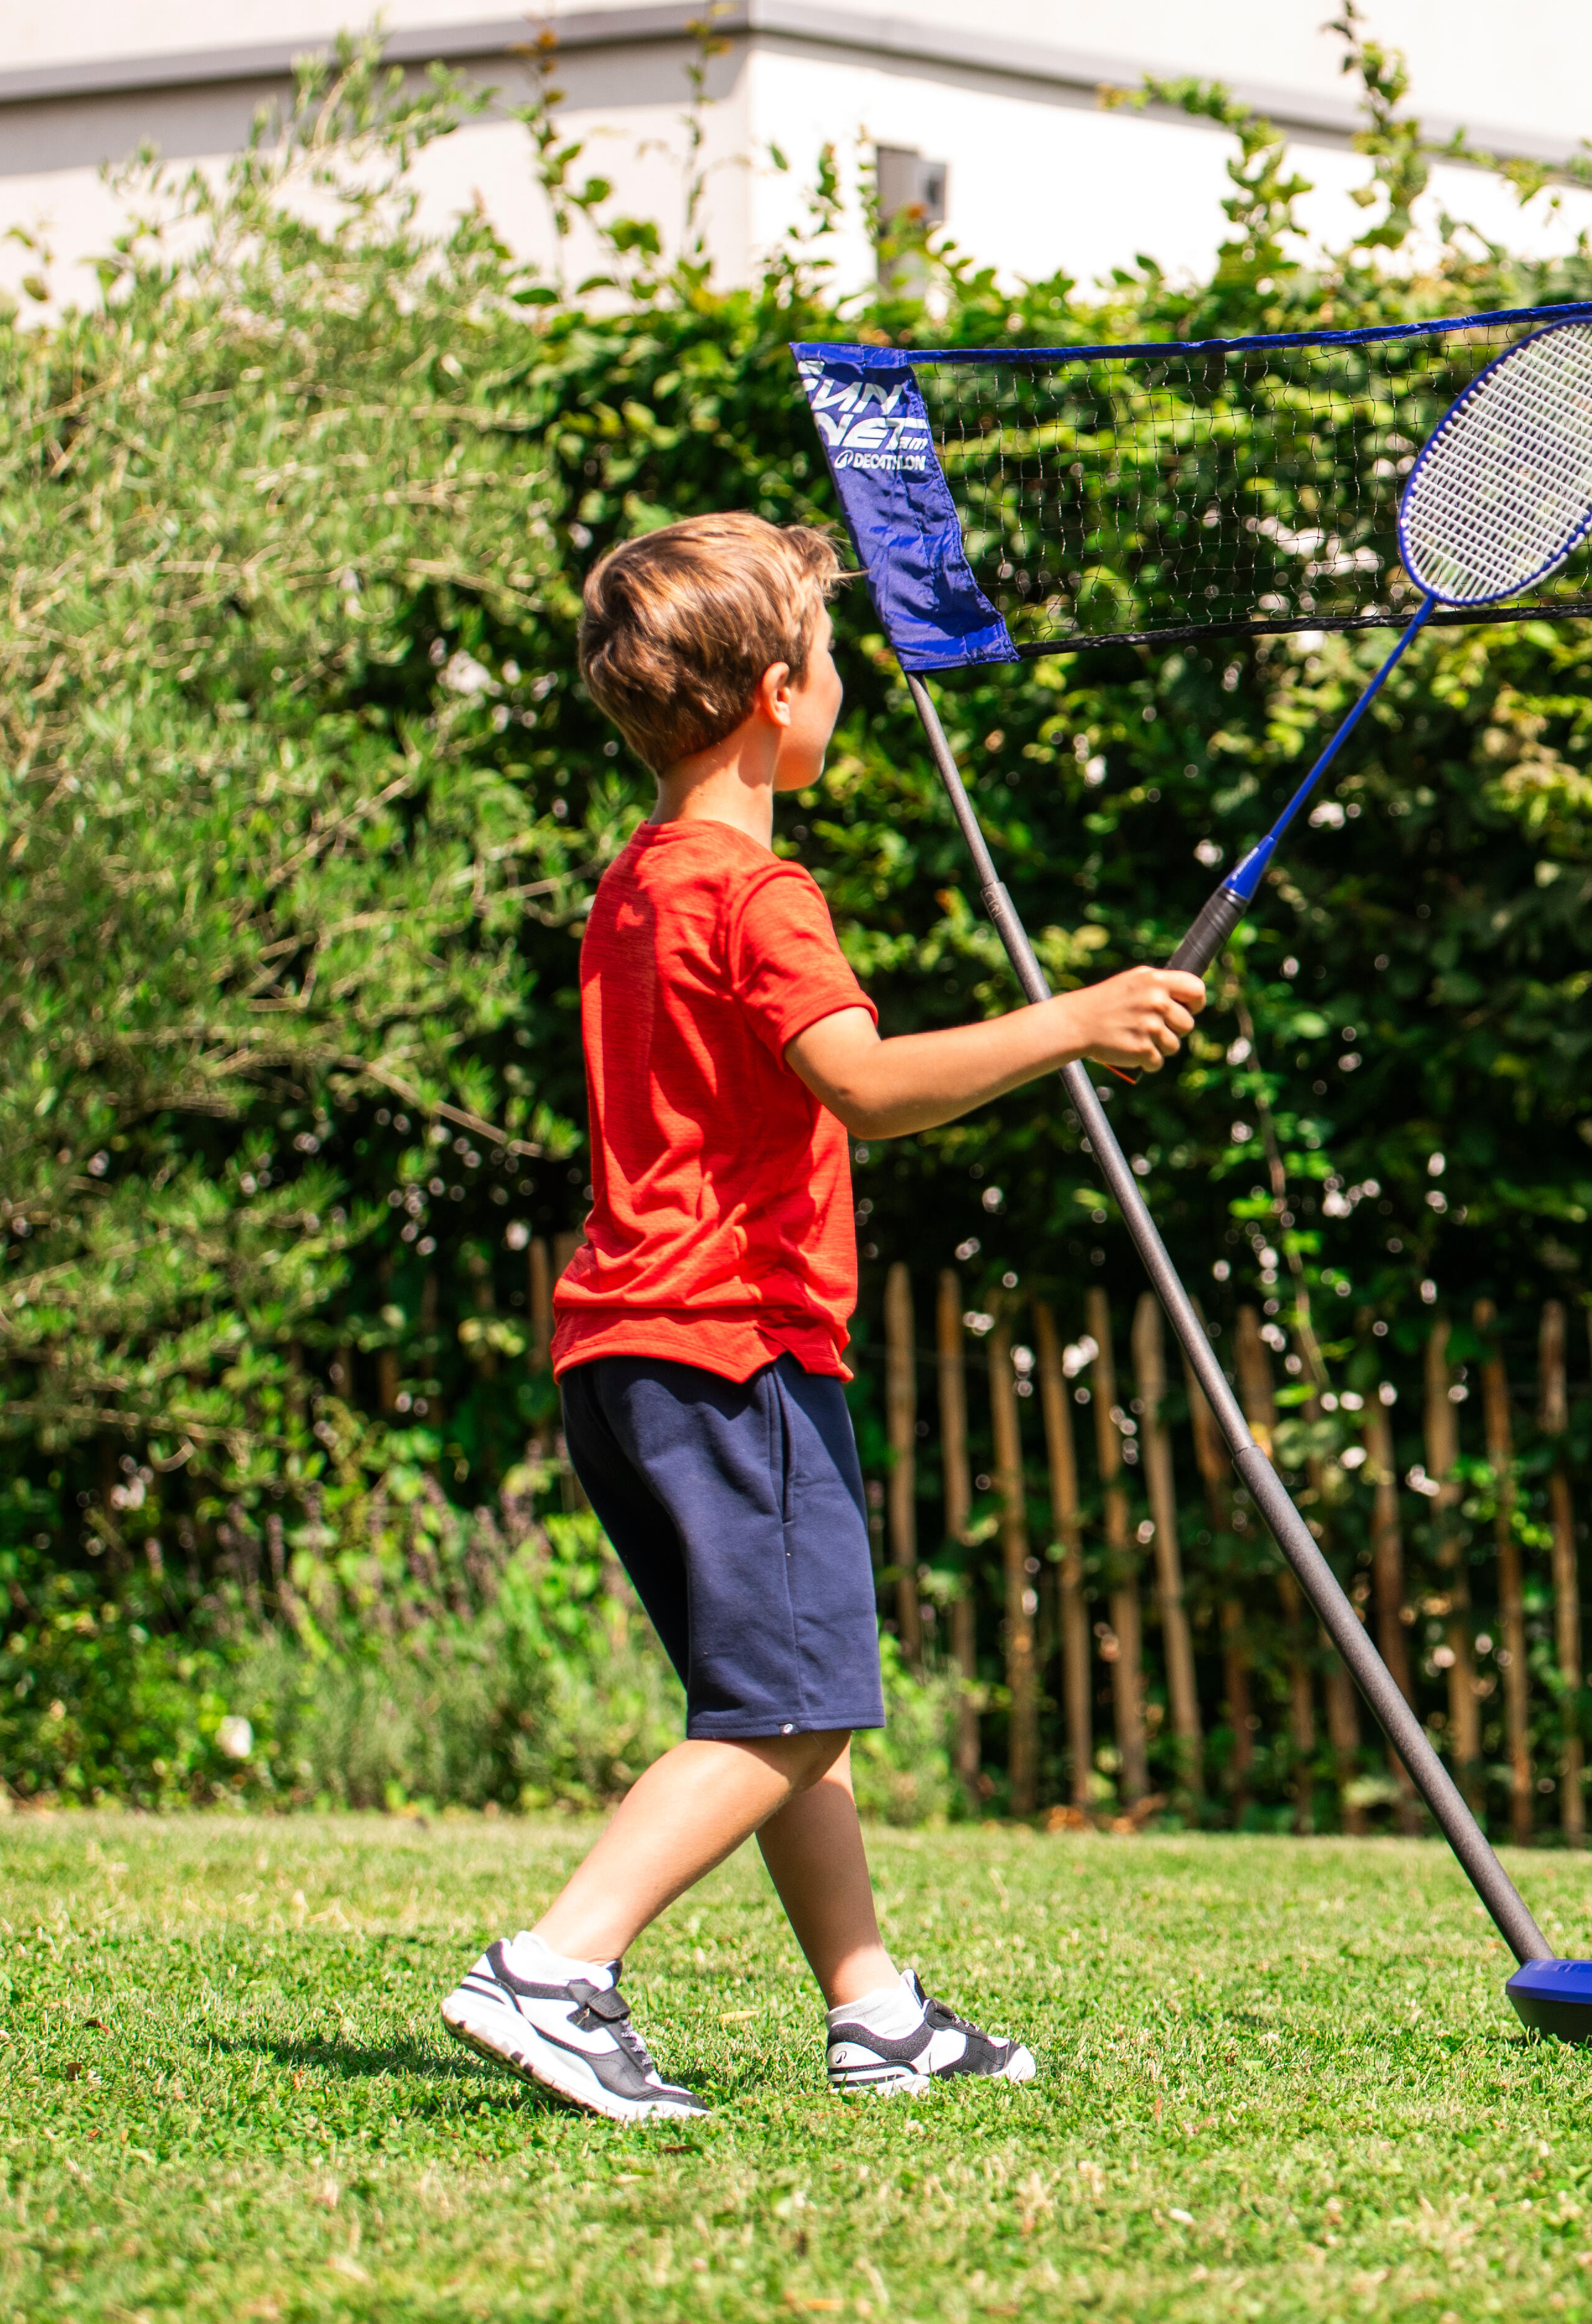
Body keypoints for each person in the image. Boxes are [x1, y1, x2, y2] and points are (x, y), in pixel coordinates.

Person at [440, 513, 1205, 2118]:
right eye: (835, 660)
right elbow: (855, 1086)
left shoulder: (637, 883)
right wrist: (1072, 1021)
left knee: (792, 1701)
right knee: (793, 1703)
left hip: (625, 1353)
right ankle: (558, 1968)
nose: (846, 686)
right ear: (779, 695)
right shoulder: (758, 891)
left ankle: (875, 2013)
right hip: (737, 1350)